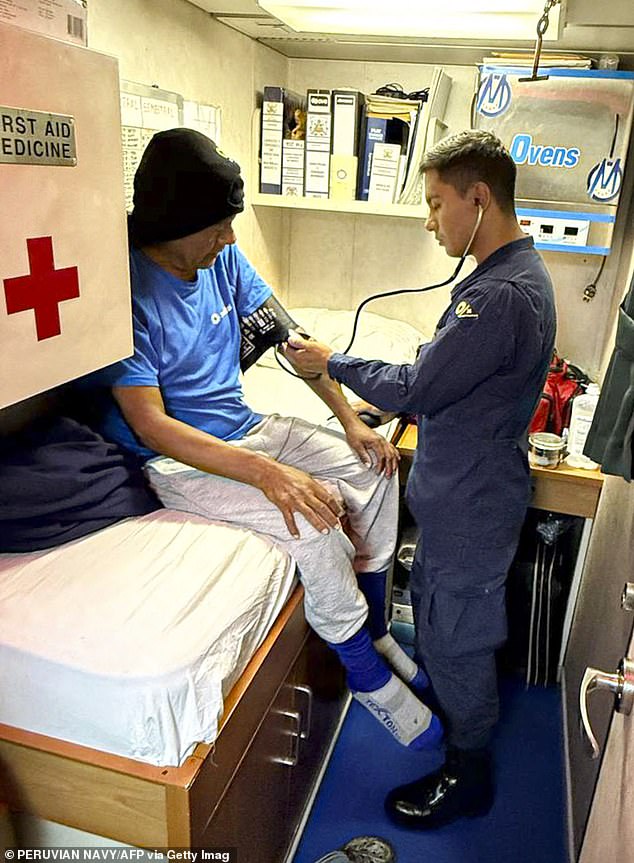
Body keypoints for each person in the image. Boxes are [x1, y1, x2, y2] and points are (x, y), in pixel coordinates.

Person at [95, 127, 442, 751]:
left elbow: (291, 339)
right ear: (176, 223)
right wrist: (269, 475)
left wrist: (348, 420)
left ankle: (375, 626)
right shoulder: (126, 293)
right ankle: (365, 676)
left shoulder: (220, 257)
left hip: (246, 427)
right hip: (180, 463)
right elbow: (151, 425)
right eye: (220, 227)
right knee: (311, 521)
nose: (231, 239)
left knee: (376, 470)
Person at [285, 129, 556, 828]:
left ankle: (468, 772)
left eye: (437, 204)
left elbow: (418, 384)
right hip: (466, 496)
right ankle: (460, 726)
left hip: (471, 505)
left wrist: (332, 361)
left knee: (457, 637)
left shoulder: (497, 297)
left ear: (479, 196)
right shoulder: (507, 278)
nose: (431, 221)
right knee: (440, 625)